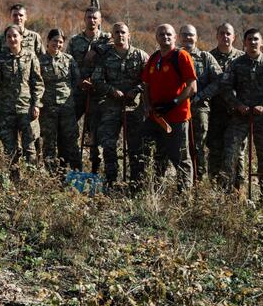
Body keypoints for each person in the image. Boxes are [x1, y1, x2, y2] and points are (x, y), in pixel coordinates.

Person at [220, 28, 263, 202]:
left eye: (256, 39)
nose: (253, 42)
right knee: (231, 152)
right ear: (244, 42)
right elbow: (225, 87)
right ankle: (232, 195)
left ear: (261, 42)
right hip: (240, 115)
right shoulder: (236, 63)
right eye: (249, 39)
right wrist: (237, 105)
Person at [87, 22, 148, 189]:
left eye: (123, 32)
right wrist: (112, 90)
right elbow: (97, 80)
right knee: (108, 144)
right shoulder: (105, 57)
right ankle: (111, 181)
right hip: (110, 107)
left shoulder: (141, 56)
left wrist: (137, 89)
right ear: (112, 36)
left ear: (129, 35)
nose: (120, 35)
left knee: (136, 147)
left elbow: (149, 79)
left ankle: (136, 183)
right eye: (116, 33)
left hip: (133, 108)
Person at [141, 24, 198, 192]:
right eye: (161, 34)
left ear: (174, 37)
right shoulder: (154, 58)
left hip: (177, 118)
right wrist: (147, 105)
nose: (165, 37)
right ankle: (155, 193)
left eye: (168, 34)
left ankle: (184, 197)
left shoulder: (181, 56)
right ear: (156, 37)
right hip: (155, 117)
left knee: (180, 158)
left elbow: (192, 87)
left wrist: (173, 102)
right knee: (155, 156)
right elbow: (145, 84)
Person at [0, 25, 44, 178]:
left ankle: (31, 182)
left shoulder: (30, 56)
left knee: (30, 148)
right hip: (6, 111)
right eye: (9, 36)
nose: (12, 39)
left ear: (22, 37)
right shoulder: (1, 58)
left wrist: (36, 104)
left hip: (26, 109)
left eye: (15, 36)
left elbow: (37, 82)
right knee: (10, 150)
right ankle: (14, 182)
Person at [68, 6, 111, 169]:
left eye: (95, 18)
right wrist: (79, 81)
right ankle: (73, 166)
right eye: (89, 17)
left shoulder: (107, 39)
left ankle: (94, 167)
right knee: (70, 129)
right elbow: (68, 64)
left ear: (100, 20)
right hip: (79, 92)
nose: (91, 20)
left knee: (94, 133)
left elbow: (117, 47)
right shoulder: (75, 41)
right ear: (84, 19)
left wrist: (96, 49)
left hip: (98, 93)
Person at [178, 24, 222, 182]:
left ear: (196, 38)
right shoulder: (173, 56)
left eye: (191, 35)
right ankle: (182, 181)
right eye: (184, 35)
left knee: (198, 146)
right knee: (180, 146)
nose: (188, 38)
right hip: (177, 109)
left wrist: (202, 95)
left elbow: (219, 81)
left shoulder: (205, 57)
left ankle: (198, 180)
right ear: (179, 37)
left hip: (199, 108)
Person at [39, 28, 82, 171]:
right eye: (54, 40)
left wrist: (70, 99)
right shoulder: (39, 60)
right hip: (47, 109)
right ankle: (53, 178)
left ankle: (76, 174)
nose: (57, 44)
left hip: (67, 109)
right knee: (49, 144)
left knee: (70, 142)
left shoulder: (69, 60)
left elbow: (77, 81)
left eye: (60, 42)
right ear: (48, 41)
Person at [207, 23, 245, 181]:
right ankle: (215, 187)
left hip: (237, 113)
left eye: (228, 33)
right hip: (215, 112)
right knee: (215, 150)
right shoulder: (209, 57)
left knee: (237, 152)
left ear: (234, 37)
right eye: (222, 33)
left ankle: (237, 189)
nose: (225, 36)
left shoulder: (243, 58)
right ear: (217, 36)